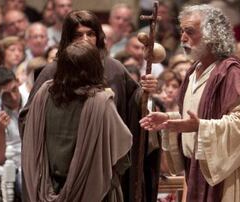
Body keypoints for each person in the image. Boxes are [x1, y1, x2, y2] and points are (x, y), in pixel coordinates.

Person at [18, 10, 159, 202]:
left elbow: (132, 108)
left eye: (90, 34)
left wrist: (143, 94)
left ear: (98, 36)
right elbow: (28, 118)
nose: (85, 39)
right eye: (78, 35)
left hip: (100, 165)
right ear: (68, 38)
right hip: (56, 168)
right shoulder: (52, 73)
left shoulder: (115, 69)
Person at [140, 4, 240, 201]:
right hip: (197, 169)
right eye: (182, 31)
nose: (182, 39)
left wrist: (200, 126)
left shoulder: (233, 73)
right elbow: (196, 116)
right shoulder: (193, 71)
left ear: (212, 35)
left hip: (227, 175)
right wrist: (170, 119)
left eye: (190, 32)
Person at [22, 40, 132, 201]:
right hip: (90, 191)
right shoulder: (100, 101)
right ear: (95, 67)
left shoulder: (44, 93)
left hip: (45, 186)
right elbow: (121, 151)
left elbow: (30, 138)